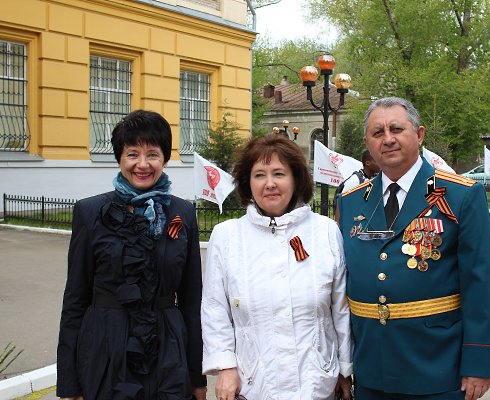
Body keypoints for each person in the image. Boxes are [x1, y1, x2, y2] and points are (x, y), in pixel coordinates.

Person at [337, 97, 490, 400]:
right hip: (371, 367)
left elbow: (481, 284)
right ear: (367, 143)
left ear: (420, 134)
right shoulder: (351, 202)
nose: (388, 139)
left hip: (436, 365)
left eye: (397, 129)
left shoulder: (460, 196)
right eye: (377, 133)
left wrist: (480, 363)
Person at [56, 110, 207, 400]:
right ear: (119, 159)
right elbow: (75, 299)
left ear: (165, 159)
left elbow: (192, 301)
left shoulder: (183, 213)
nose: (142, 164)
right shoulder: (90, 212)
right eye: (132, 154)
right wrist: (69, 384)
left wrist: (196, 377)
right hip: (105, 348)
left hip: (168, 350)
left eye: (152, 154)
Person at [201, 135, 353, 400]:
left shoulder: (325, 231)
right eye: (259, 175)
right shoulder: (227, 236)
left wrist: (345, 368)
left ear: (296, 179)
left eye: (279, 173)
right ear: (248, 183)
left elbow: (341, 307)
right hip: (253, 384)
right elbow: (215, 309)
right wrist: (225, 367)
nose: (269, 183)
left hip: (316, 383)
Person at [333, 150, 380, 220]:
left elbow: (364, 199)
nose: (380, 164)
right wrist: (338, 223)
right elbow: (340, 201)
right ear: (368, 163)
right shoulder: (356, 179)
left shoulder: (370, 180)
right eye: (377, 161)